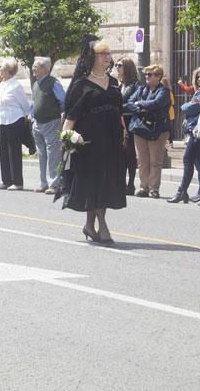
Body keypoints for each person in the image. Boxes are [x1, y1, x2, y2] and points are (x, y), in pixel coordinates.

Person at [58, 36, 126, 244]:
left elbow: (118, 109)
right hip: (89, 140)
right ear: (92, 57)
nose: (108, 57)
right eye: (103, 54)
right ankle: (102, 227)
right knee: (94, 182)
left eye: (108, 54)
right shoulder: (81, 85)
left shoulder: (113, 83)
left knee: (106, 182)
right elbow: (70, 118)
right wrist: (68, 137)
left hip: (111, 138)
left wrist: (123, 131)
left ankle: (89, 225)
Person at [168, 66, 200, 204]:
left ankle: (182, 191)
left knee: (188, 160)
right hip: (195, 130)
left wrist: (186, 106)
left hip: (198, 130)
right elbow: (190, 107)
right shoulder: (199, 91)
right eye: (198, 76)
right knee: (199, 162)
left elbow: (190, 108)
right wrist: (188, 105)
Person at [126, 64, 171, 199]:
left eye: (150, 75)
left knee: (155, 161)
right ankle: (143, 187)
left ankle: (153, 188)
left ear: (158, 77)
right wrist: (140, 108)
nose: (147, 77)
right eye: (146, 74)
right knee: (142, 160)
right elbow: (129, 103)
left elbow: (156, 103)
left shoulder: (164, 91)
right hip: (140, 128)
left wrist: (140, 104)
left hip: (157, 129)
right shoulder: (141, 89)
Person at [30, 57, 65, 194]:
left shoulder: (53, 83)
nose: (33, 69)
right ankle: (43, 183)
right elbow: (33, 102)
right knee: (42, 153)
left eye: (36, 67)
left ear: (45, 69)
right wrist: (32, 117)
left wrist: (59, 115)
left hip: (51, 122)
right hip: (37, 123)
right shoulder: (36, 84)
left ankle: (54, 184)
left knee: (53, 153)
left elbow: (63, 99)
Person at [0, 58, 30, 191]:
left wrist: (27, 118)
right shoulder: (2, 84)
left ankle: (17, 181)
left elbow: (24, 105)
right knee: (3, 151)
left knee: (14, 151)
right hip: (3, 120)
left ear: (9, 70)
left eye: (2, 68)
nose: (0, 71)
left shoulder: (16, 86)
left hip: (15, 120)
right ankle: (6, 180)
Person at [116, 57, 141, 195]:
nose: (117, 68)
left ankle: (130, 184)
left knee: (130, 154)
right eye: (116, 65)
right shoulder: (119, 85)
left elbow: (135, 104)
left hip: (130, 123)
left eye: (120, 65)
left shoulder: (136, 86)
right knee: (120, 155)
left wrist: (118, 107)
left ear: (127, 67)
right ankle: (121, 182)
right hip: (119, 123)